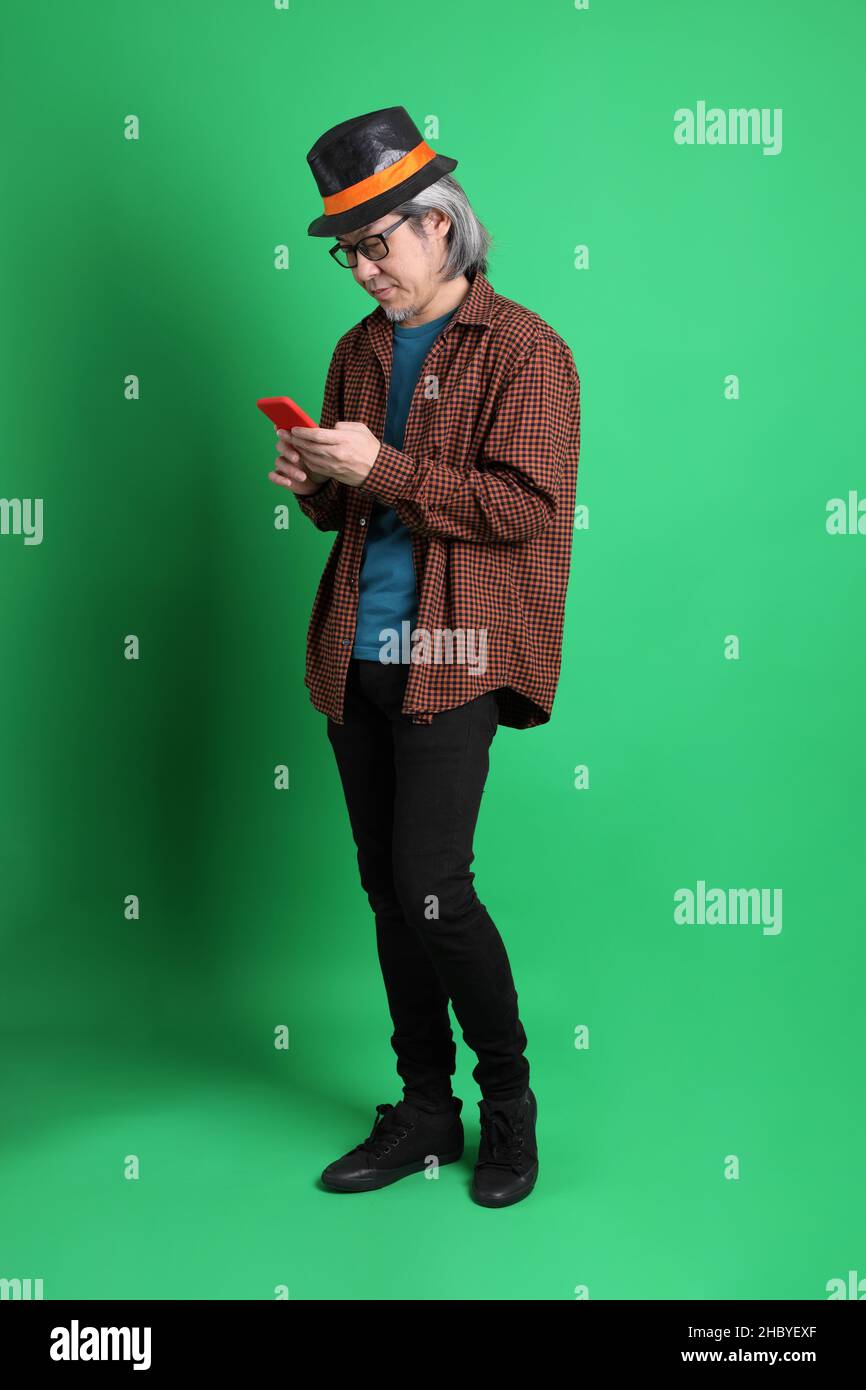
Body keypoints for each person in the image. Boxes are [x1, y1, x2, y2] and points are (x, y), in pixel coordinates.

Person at [268, 106, 581, 1208]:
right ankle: (423, 1111)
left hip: (455, 649)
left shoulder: (526, 349)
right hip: (358, 645)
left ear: (441, 228)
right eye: (346, 252)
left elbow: (526, 511)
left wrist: (382, 466)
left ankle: (508, 1106)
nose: (361, 271)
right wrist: (322, 485)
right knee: (385, 892)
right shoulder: (357, 352)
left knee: (433, 887)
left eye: (377, 244)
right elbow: (356, 518)